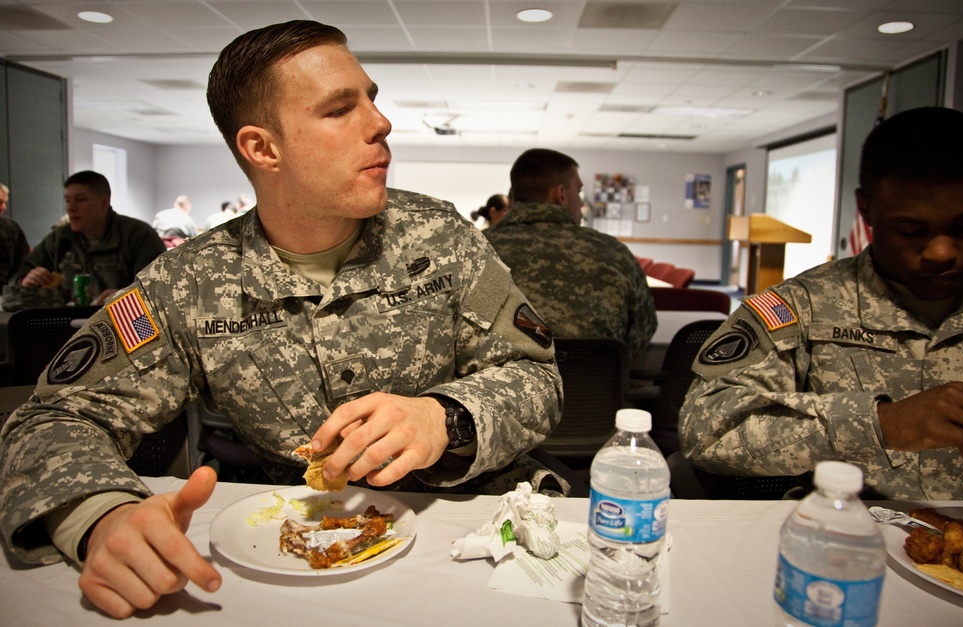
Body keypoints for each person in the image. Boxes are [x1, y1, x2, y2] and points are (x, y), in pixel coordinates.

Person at [0, 20, 562, 618]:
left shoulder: (441, 238)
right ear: (262, 148)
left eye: (371, 97)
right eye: (340, 109)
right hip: (299, 553)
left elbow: (537, 377)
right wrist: (98, 515)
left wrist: (442, 417)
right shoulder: (190, 283)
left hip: (473, 536)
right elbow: (54, 416)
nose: (380, 122)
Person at [679, 107, 963, 501]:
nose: (941, 252)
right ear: (866, 210)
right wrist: (880, 423)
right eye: (912, 230)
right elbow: (705, 431)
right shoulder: (802, 306)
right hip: (847, 540)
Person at [484, 148, 657, 359]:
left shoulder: (477, 247)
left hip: (498, 389)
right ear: (561, 194)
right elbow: (642, 329)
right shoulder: (612, 252)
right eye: (579, 191)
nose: (582, 202)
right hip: (595, 386)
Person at [10, 170, 166, 307]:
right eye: (68, 200)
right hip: (67, 328)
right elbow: (14, 284)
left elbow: (162, 291)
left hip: (125, 327)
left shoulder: (138, 236)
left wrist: (127, 297)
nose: (71, 208)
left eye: (80, 199)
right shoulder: (60, 239)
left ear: (103, 203)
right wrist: (24, 281)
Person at [0, 183, 30, 286]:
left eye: (5, 203)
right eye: (0, 203)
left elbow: (22, 262)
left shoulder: (11, 228)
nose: (4, 207)